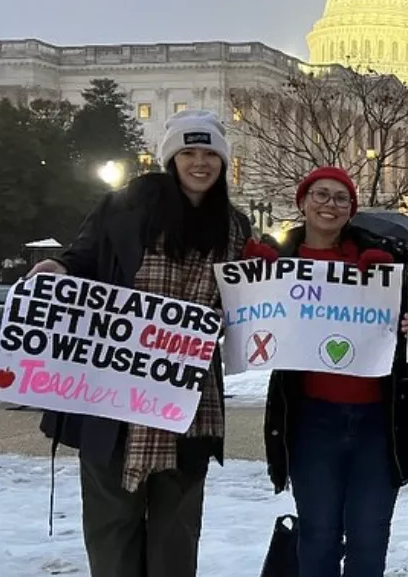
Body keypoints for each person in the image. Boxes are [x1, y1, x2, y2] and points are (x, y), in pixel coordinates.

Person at [28, 110, 253, 577]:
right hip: (113, 396)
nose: (199, 163)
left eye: (210, 153)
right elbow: (83, 256)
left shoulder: (234, 226)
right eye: (189, 152)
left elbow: (244, 298)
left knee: (176, 538)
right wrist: (61, 270)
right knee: (113, 536)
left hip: (190, 401)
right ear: (171, 157)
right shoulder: (123, 207)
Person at [255, 166, 408, 577]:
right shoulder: (278, 263)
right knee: (318, 538)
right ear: (302, 202)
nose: (329, 205)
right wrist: (253, 283)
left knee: (369, 541)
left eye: (340, 198)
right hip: (311, 419)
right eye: (320, 195)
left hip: (377, 420)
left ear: (351, 210)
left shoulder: (382, 263)